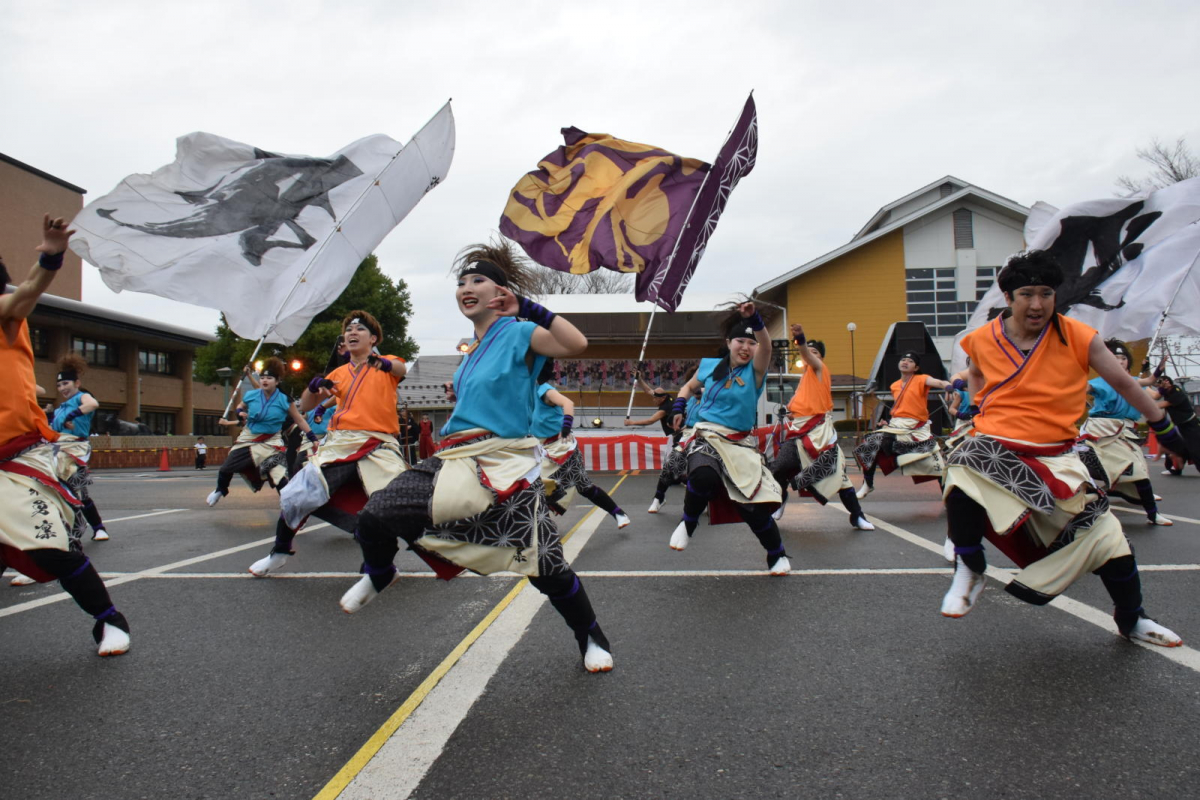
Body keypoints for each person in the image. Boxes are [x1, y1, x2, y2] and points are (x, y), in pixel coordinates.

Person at [343, 241, 614, 673]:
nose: (466, 288)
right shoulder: (470, 348)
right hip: (456, 456)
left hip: (505, 460)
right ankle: (379, 572)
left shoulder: (519, 332)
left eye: (478, 280)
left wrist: (529, 308)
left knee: (546, 566)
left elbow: (576, 343)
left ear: (500, 292)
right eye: (461, 282)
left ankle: (591, 636)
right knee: (376, 514)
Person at [940, 250, 1184, 646]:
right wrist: (978, 404)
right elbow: (977, 373)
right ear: (1009, 297)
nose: (1037, 304)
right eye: (1027, 294)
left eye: (1046, 293)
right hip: (1001, 448)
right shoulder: (981, 340)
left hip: (1058, 457)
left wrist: (1164, 427)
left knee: (1109, 542)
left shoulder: (1079, 336)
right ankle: (969, 566)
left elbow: (1124, 383)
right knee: (963, 465)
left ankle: (1132, 619)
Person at [0, 215, 130, 655]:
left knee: (51, 552)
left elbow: (25, 293)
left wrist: (51, 257)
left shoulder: (5, 314)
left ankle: (109, 619)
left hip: (21, 457)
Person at [247, 312, 407, 576]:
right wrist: (313, 387)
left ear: (373, 339)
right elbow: (306, 405)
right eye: (349, 329)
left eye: (360, 329)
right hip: (341, 444)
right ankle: (280, 552)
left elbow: (401, 369)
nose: (352, 332)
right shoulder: (339, 373)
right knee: (297, 493)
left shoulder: (387, 364)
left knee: (393, 503)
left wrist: (385, 364)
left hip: (379, 444)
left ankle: (383, 563)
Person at [667, 300, 788, 574]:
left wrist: (756, 320)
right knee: (702, 475)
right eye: (740, 341)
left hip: (739, 443)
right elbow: (688, 386)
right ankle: (688, 522)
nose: (746, 347)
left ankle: (776, 554)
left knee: (752, 507)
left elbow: (767, 346)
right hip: (707, 435)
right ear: (728, 342)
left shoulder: (756, 371)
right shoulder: (710, 366)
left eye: (751, 343)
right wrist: (678, 406)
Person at [769, 324, 873, 531]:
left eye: (814, 352)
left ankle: (857, 515)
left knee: (838, 476)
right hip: (798, 430)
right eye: (809, 351)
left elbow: (807, 355)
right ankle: (780, 500)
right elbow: (803, 405)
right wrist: (793, 413)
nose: (809, 355)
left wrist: (800, 339)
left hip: (819, 432)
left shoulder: (819, 369)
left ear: (820, 358)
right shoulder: (805, 379)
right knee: (780, 467)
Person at [1077, 340, 1171, 525]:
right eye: (1114, 358)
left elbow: (1149, 381)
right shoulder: (1100, 382)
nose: (1119, 362)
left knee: (1139, 468)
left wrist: (1158, 370)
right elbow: (1082, 388)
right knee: (1122, 469)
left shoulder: (1132, 381)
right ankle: (1151, 513)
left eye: (1123, 358)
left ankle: (1150, 512)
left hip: (1123, 431)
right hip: (1101, 431)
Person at [206, 358, 319, 506]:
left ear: (277, 381)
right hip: (249, 438)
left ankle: (291, 505)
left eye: (269, 378)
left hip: (271, 442)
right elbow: (240, 406)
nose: (265, 380)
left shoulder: (284, 400)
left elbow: (299, 420)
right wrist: (240, 413)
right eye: (263, 378)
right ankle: (220, 489)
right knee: (226, 468)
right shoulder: (252, 395)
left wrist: (312, 437)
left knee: (279, 477)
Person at [535, 363, 630, 528]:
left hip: (562, 447)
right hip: (543, 449)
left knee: (580, 487)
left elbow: (568, 403)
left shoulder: (544, 390)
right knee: (538, 487)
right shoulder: (526, 394)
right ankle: (541, 526)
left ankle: (618, 513)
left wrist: (566, 427)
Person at [853, 351, 955, 498]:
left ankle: (949, 496)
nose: (905, 362)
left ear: (916, 367)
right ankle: (867, 483)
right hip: (897, 426)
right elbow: (901, 408)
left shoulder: (921, 379)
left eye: (910, 361)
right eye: (903, 359)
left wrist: (948, 386)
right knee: (869, 443)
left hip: (916, 428)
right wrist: (889, 423)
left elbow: (939, 382)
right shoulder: (894, 385)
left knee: (936, 464)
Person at [46, 353, 110, 541]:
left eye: (66, 383)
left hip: (76, 449)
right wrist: (49, 416)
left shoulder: (81, 397)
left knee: (79, 491)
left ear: (77, 383)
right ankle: (65, 529)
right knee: (54, 490)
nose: (62, 388)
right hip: (56, 450)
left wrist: (71, 416)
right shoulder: (60, 408)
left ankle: (98, 528)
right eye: (59, 385)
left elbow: (93, 404)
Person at [1155, 373, 1200, 475]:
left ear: (1167, 382)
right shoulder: (1166, 393)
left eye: (1161, 383)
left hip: (1190, 425)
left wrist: (1142, 403)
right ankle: (1174, 469)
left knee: (1195, 449)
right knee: (1171, 445)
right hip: (1179, 426)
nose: (1159, 387)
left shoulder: (1177, 392)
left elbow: (1161, 405)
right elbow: (1154, 394)